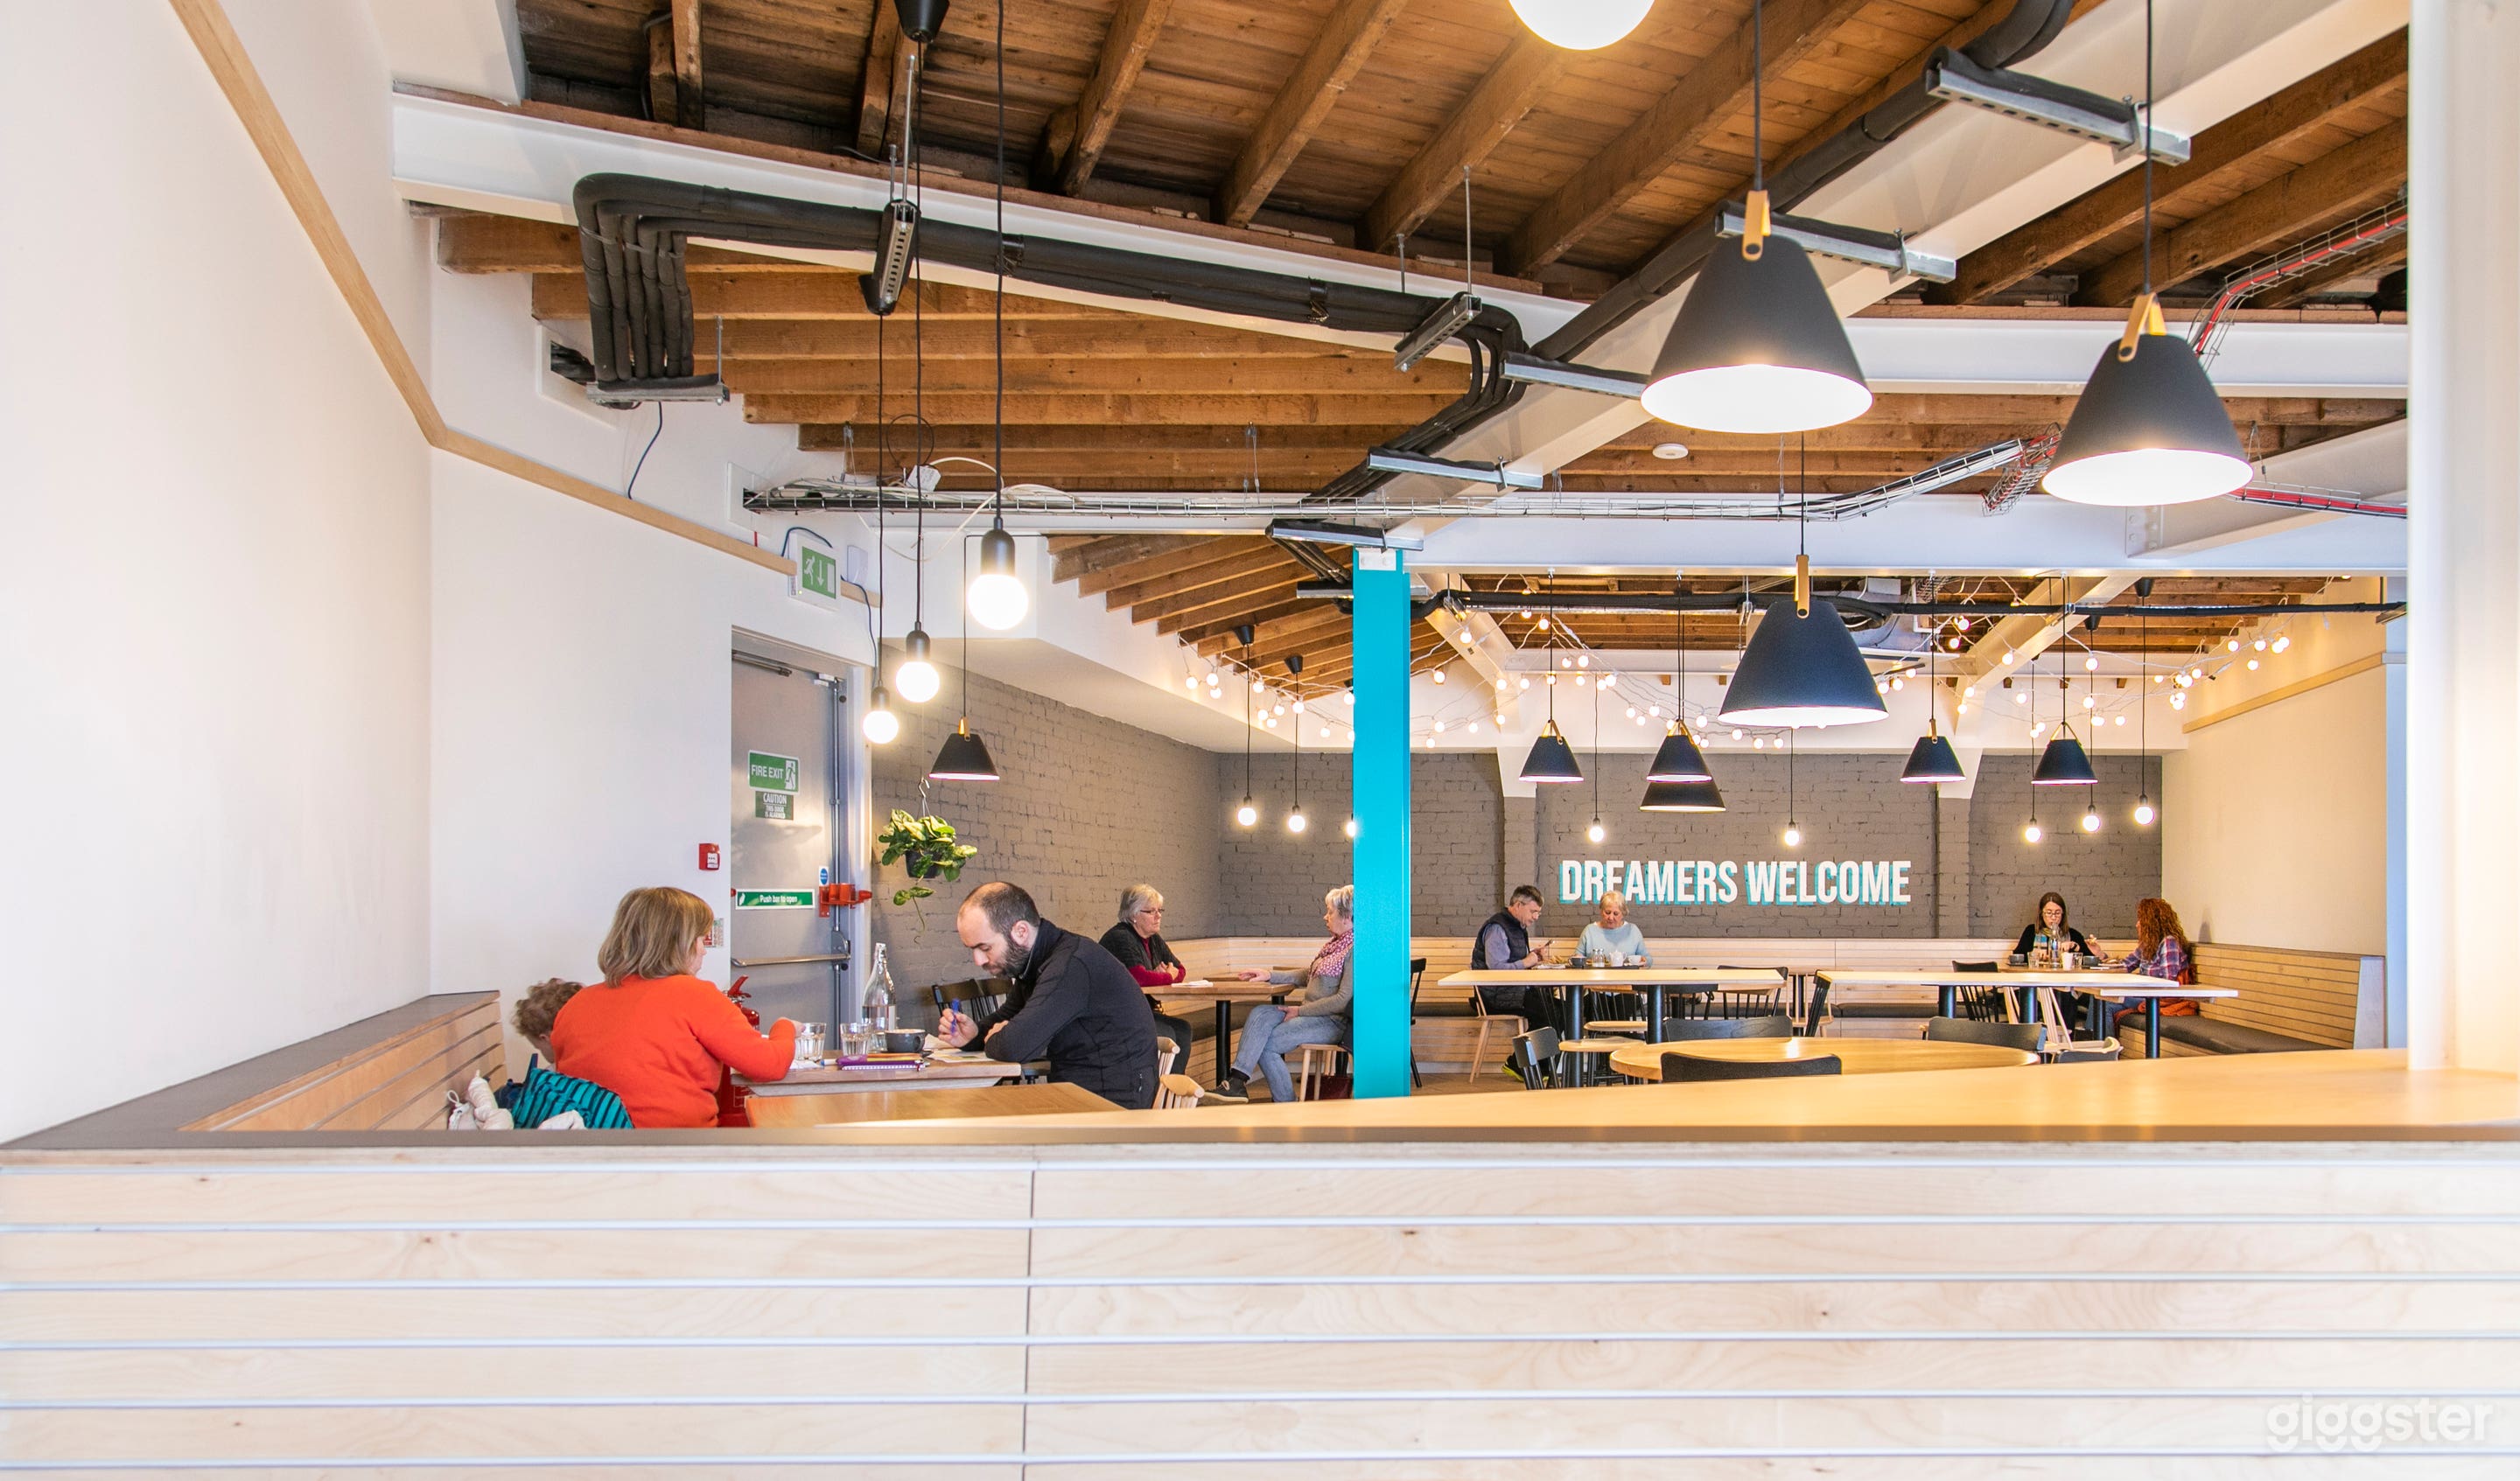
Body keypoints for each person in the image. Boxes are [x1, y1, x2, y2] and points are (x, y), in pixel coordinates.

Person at [550, 887, 795, 1128]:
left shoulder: (577, 1003)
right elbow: (769, 1066)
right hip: (675, 1151)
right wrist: (785, 1027)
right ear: (679, 943)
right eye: (700, 939)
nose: (704, 950)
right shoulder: (693, 994)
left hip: (591, 1155)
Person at [940, 882, 1161, 1110]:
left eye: (985, 948)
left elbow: (1014, 1046)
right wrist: (975, 1035)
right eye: (972, 950)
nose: (978, 960)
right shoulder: (1038, 960)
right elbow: (1010, 1015)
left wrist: (1001, 1037)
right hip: (1080, 1092)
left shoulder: (1070, 965)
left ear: (1021, 931)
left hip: (1113, 1105)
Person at [1224, 885, 1354, 1102]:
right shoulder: (1335, 946)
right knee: (1260, 1013)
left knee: (1268, 1044)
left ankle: (1286, 1103)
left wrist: (1300, 1010)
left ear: (1347, 917)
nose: (1325, 917)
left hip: (1331, 1021)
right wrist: (1269, 975)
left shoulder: (1353, 950)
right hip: (1310, 1015)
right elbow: (1309, 975)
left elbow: (1343, 1000)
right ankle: (1237, 1081)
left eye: (1330, 912)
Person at [2106, 896, 2201, 1031]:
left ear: (2151, 922)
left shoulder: (2169, 943)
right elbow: (2125, 966)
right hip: (2144, 995)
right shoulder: (2148, 945)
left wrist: (2139, 983)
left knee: (2106, 1000)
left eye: (2141, 920)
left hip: (2158, 1000)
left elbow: (2169, 983)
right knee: (2102, 1001)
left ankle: (2104, 1050)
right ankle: (2098, 1047)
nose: (2137, 924)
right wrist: (2101, 957)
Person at [1471, 884, 1556, 1020]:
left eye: (1538, 913)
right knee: (1554, 1014)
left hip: (1515, 992)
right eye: (1533, 911)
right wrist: (1526, 962)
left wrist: (1532, 955)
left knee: (1562, 1008)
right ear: (1518, 906)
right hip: (1498, 997)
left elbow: (1513, 958)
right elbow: (1496, 969)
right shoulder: (1497, 929)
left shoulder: (1517, 926)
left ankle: (1535, 1040)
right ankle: (1528, 1041)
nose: (1536, 917)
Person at [2013, 891, 2096, 966]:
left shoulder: (2073, 934)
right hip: (2037, 979)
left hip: (2065, 980)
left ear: (2063, 914)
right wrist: (2034, 955)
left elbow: (2091, 961)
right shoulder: (2031, 931)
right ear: (2042, 914)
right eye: (2049, 913)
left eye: (2057, 913)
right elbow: (2017, 958)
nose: (2053, 917)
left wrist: (2075, 946)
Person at [1576, 891, 1649, 965]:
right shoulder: (1589, 931)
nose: (1611, 918)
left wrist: (1644, 961)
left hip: (1626, 976)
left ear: (1623, 913)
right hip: (1596, 975)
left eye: (1616, 914)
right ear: (1601, 911)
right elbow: (1577, 958)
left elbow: (1648, 959)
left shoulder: (1633, 931)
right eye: (1607, 912)